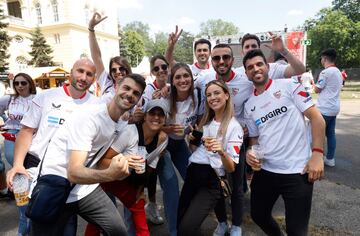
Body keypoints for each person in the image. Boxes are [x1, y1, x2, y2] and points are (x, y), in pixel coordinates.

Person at [28, 73, 146, 235]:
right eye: (126, 88)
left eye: (136, 93)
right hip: (56, 184)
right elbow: (74, 172)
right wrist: (110, 174)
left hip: (84, 188)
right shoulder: (90, 117)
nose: (130, 95)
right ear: (116, 87)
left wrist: (124, 160)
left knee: (119, 231)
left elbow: (100, 158)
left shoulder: (122, 123)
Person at [6, 59, 99, 236]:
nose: (83, 77)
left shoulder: (96, 105)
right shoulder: (46, 97)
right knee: (32, 222)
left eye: (89, 74)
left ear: (94, 79)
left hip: (69, 176)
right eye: (80, 71)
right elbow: (26, 131)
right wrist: (18, 164)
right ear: (71, 72)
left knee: (67, 227)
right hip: (38, 172)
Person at [243, 49, 325, 236]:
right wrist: (251, 152)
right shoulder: (249, 105)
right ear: (247, 74)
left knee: (296, 231)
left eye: (259, 64)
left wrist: (317, 153)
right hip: (266, 171)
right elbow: (255, 138)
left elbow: (316, 118)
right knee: (258, 215)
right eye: (250, 67)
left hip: (297, 171)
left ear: (267, 67)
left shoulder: (290, 85)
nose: (255, 69)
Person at [84, 99, 169, 236]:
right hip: (107, 178)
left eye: (161, 115)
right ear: (145, 116)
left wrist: (141, 190)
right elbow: (102, 161)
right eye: (152, 113)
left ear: (165, 119)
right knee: (98, 219)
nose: (156, 117)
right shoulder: (130, 132)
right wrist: (124, 161)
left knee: (139, 207)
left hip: (128, 182)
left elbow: (150, 169)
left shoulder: (162, 140)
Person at [177, 80, 243, 235]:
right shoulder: (205, 121)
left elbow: (231, 167)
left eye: (216, 93)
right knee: (180, 221)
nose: (212, 97)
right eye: (208, 95)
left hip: (211, 180)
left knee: (187, 228)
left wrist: (221, 151)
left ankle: (227, 225)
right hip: (192, 174)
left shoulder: (234, 127)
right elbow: (193, 149)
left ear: (226, 95)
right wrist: (192, 138)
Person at [0, 73, 36, 235]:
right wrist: (5, 123)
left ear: (30, 84)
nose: (20, 86)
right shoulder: (9, 99)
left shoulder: (39, 98)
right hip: (13, 138)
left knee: (34, 198)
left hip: (34, 143)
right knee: (24, 207)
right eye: (17, 83)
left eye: (23, 83)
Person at [88, 12, 132, 102]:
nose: (118, 72)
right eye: (114, 70)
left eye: (121, 68)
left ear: (127, 69)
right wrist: (91, 29)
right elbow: (96, 57)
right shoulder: (106, 83)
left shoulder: (134, 89)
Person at [314, 48, 343, 167]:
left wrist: (314, 85)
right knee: (331, 134)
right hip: (334, 107)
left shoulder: (325, 72)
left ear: (324, 58)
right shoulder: (338, 72)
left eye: (321, 58)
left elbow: (317, 89)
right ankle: (330, 158)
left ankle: (317, 158)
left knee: (317, 134)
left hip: (324, 108)